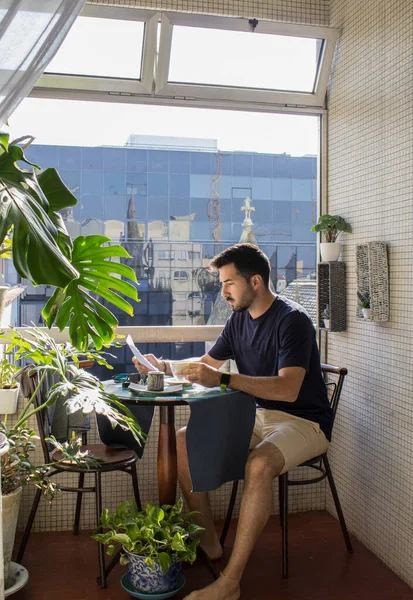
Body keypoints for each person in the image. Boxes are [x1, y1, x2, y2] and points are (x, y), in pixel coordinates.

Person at [133, 243, 333, 600]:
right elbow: (207, 365)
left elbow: (288, 389)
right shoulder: (238, 319)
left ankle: (230, 582)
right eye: (222, 283)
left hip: (304, 421)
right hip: (258, 415)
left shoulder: (293, 321)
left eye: (229, 283)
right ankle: (209, 542)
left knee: (258, 465)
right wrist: (162, 366)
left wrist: (225, 380)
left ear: (255, 281)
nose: (223, 291)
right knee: (182, 441)